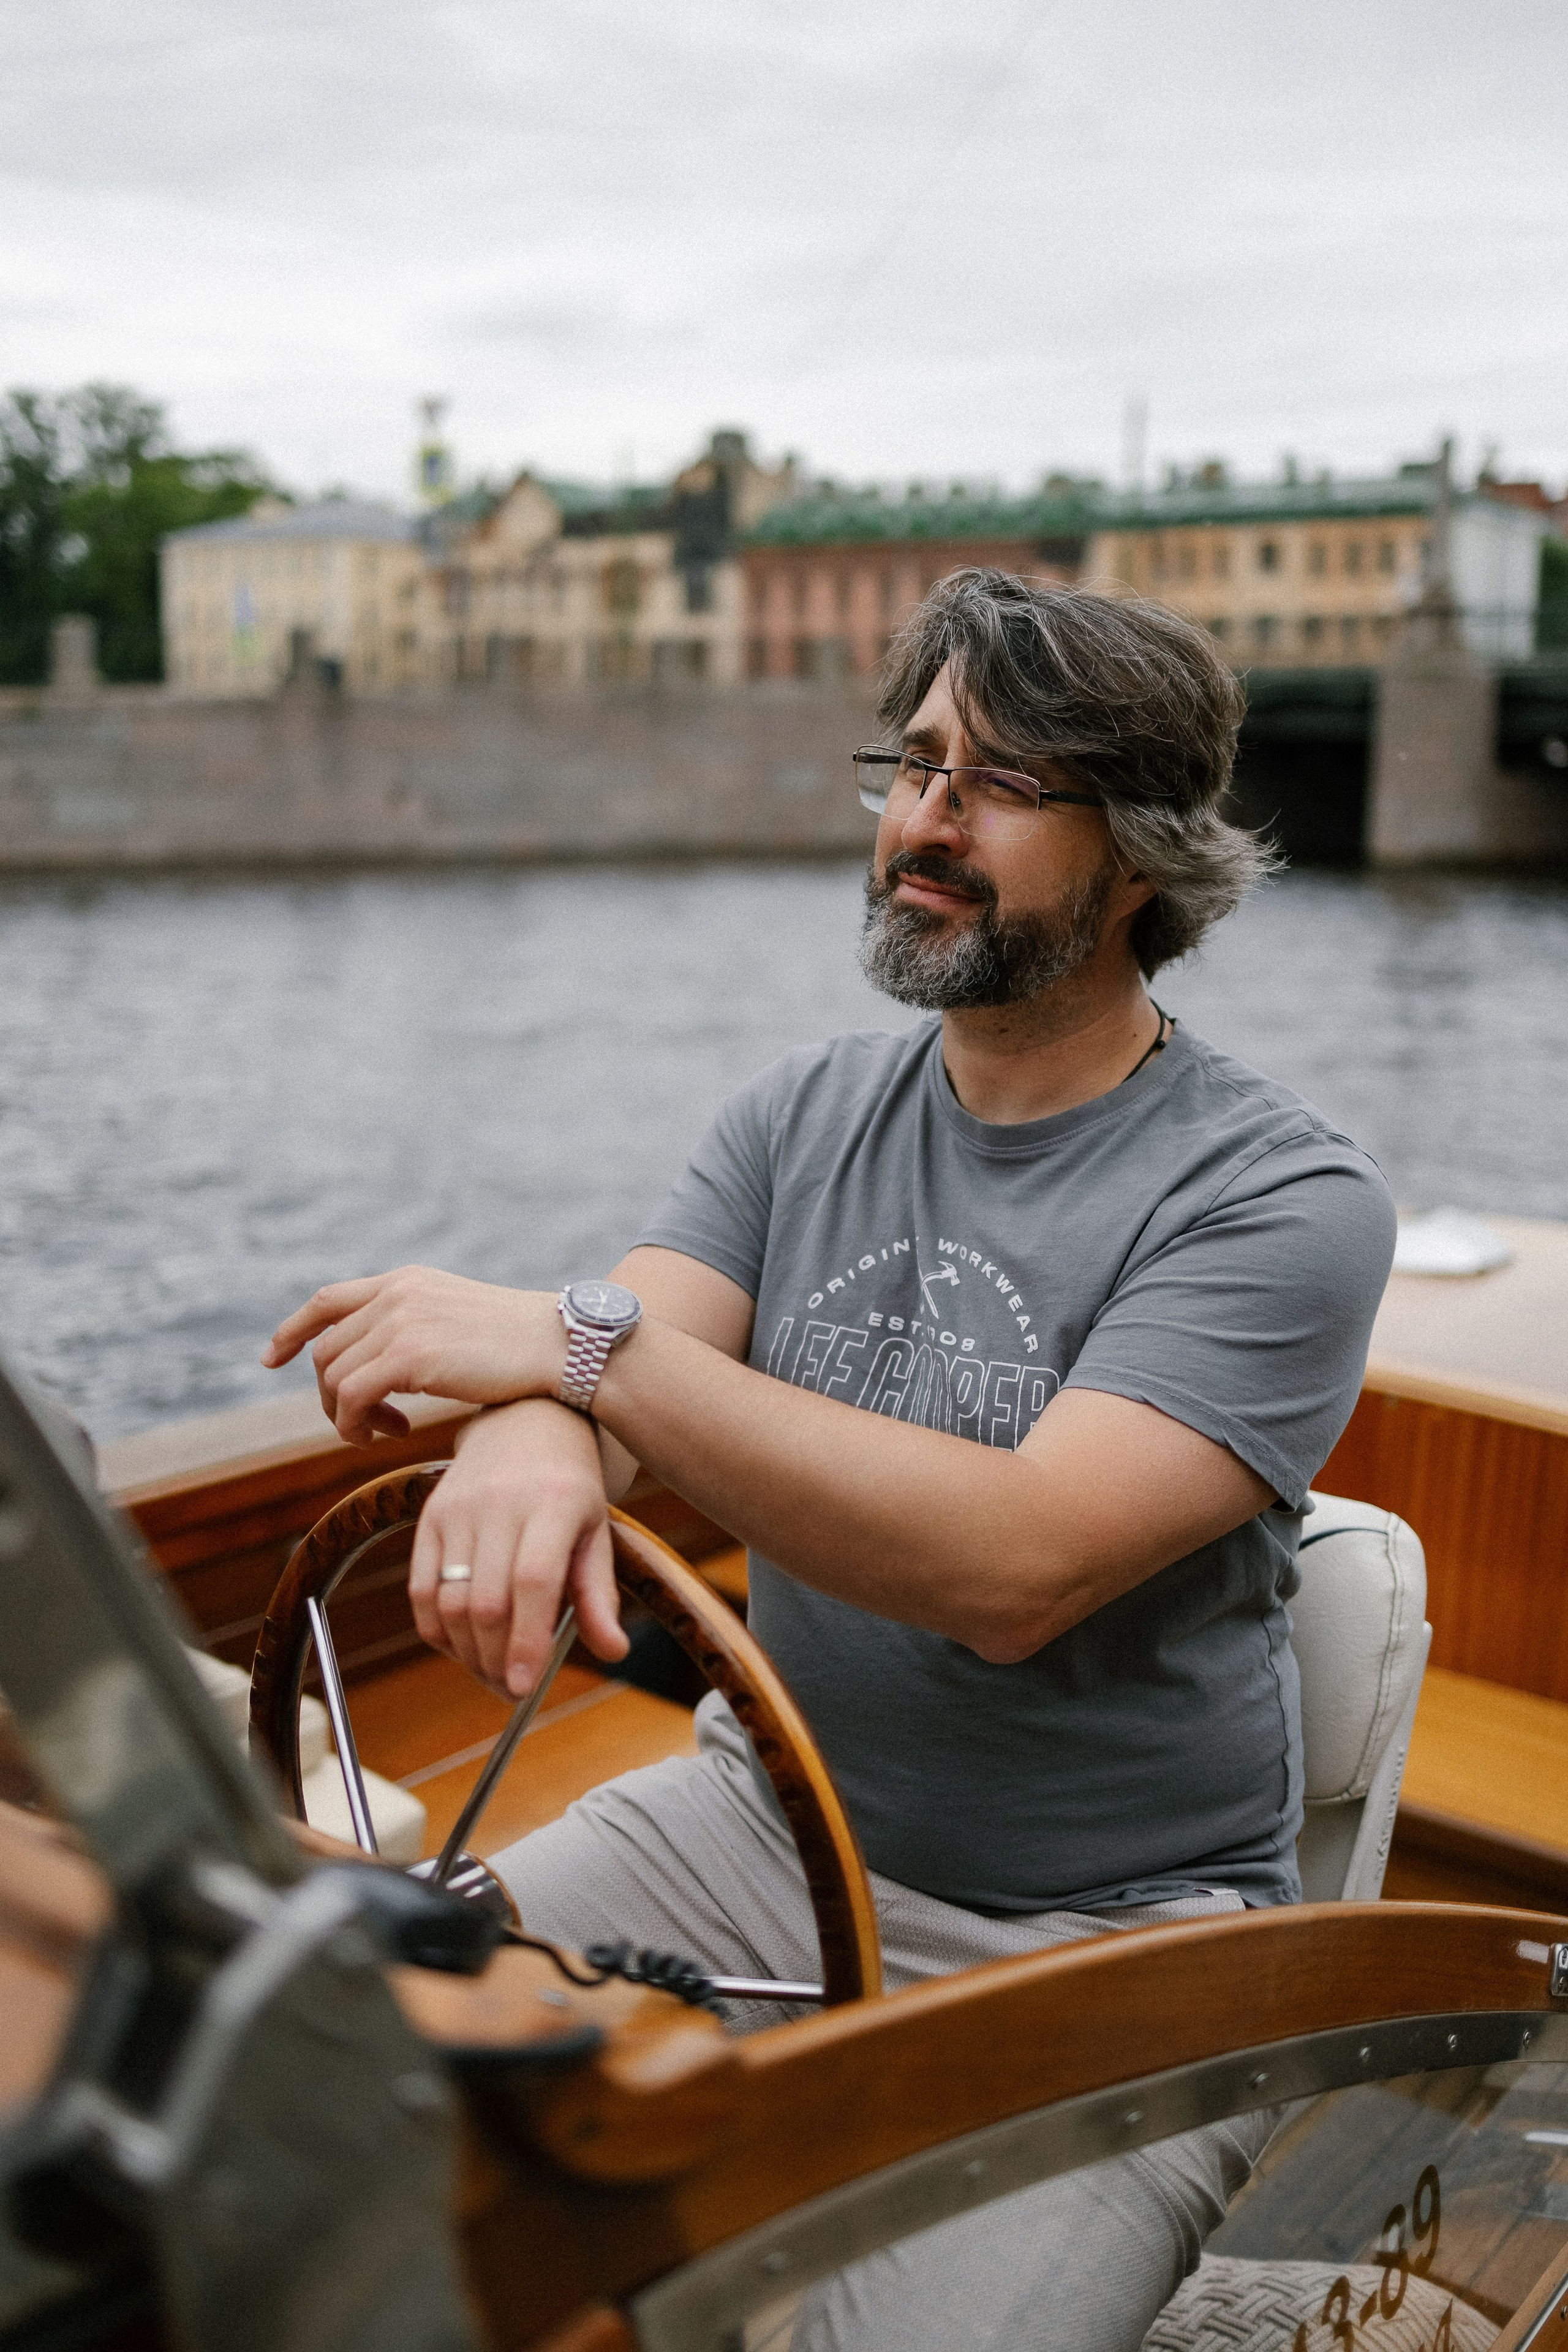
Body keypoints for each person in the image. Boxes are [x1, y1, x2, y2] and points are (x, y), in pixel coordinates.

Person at [266, 569, 1396, 2352]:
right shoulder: (794, 1121)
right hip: (749, 1821)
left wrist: (578, 1362)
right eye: (919, 762)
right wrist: (536, 1439)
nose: (930, 818)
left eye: (1008, 784)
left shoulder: (1279, 1201)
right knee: (312, 2105)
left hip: (1103, 1949)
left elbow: (1014, 1568)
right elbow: (631, 1334)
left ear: (1152, 862)